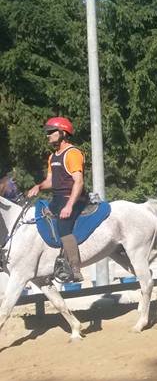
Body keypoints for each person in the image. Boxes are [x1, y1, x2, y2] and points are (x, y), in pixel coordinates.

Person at [26, 117, 88, 282]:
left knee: (63, 227)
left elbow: (79, 182)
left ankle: (74, 269)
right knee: (41, 218)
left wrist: (69, 206)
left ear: (63, 133)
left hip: (74, 198)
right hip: (57, 198)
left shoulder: (72, 153)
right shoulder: (53, 157)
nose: (48, 135)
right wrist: (38, 186)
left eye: (51, 132)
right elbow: (51, 181)